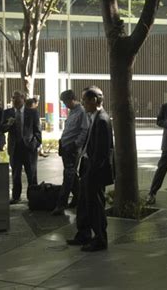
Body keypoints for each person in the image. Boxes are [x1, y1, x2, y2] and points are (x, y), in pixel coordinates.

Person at [67, 86, 114, 252]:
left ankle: (100, 239)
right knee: (84, 203)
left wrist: (91, 172)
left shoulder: (102, 120)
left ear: (94, 101)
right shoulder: (94, 117)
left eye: (85, 100)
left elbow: (101, 153)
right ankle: (84, 234)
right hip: (88, 166)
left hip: (95, 170)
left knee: (95, 205)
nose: (83, 103)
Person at [51, 90, 89, 216]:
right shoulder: (72, 111)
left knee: (68, 175)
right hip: (66, 147)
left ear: (72, 99)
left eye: (66, 101)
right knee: (72, 175)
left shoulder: (82, 112)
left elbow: (84, 131)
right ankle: (79, 199)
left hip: (73, 149)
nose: (65, 104)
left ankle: (61, 205)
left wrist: (75, 144)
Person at [1, 91, 42, 204]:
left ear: (23, 99)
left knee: (32, 174)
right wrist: (8, 124)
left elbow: (37, 130)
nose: (15, 102)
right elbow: (1, 129)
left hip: (29, 148)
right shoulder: (7, 112)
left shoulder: (32, 112)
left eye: (18, 100)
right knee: (15, 174)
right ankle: (16, 196)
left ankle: (34, 197)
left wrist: (35, 144)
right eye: (14, 99)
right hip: (15, 148)